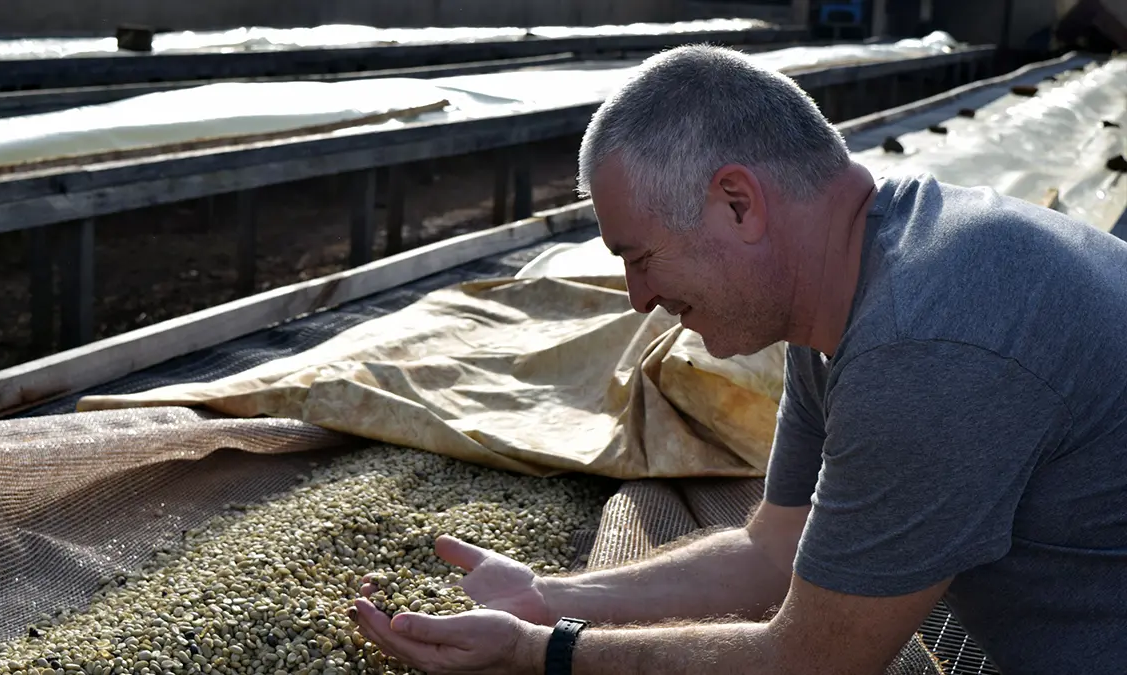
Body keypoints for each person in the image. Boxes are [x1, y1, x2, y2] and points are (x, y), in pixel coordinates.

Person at [348, 44, 1127, 675]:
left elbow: (809, 659)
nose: (635, 297)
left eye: (640, 255)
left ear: (738, 203)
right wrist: (545, 596)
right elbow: (772, 550)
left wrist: (536, 651)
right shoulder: (869, 282)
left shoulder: (927, 340)